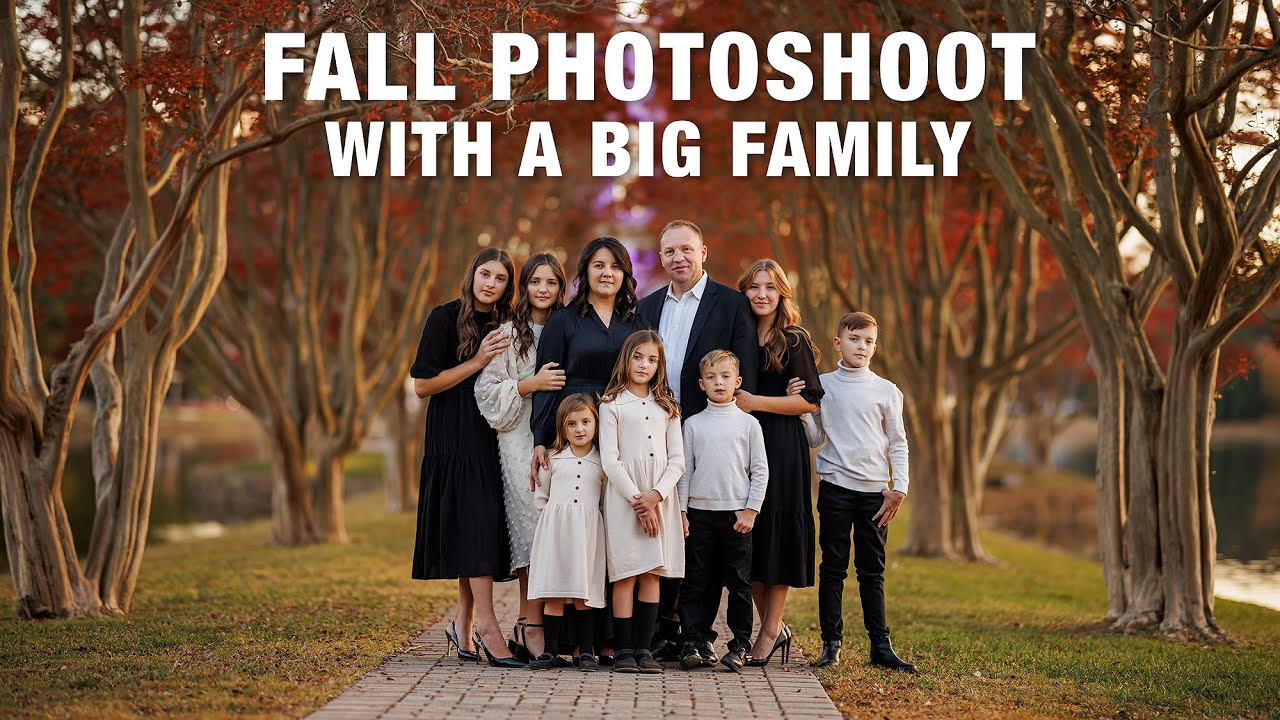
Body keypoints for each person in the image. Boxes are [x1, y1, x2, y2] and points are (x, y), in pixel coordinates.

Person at [635, 219, 759, 663]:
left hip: (713, 430)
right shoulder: (647, 308)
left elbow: (745, 370)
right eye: (669, 251)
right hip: (657, 430)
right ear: (661, 257)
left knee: (700, 541)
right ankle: (668, 630)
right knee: (665, 528)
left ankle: (701, 632)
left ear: (703, 252)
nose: (678, 258)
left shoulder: (730, 304)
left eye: (686, 249)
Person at [529, 236, 647, 661]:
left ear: (624, 274)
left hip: (620, 428)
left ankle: (612, 638)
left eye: (614, 266)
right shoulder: (564, 321)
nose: (606, 273)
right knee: (578, 530)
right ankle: (570, 642)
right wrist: (542, 439)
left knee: (613, 528)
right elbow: (547, 383)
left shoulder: (635, 320)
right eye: (597, 265)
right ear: (585, 272)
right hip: (573, 422)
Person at [411, 247, 523, 668]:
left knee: (475, 530)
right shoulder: (444, 318)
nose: (491, 284)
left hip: (492, 435)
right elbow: (423, 386)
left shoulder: (507, 324)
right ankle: (489, 629)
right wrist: (477, 362)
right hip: (453, 437)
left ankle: (463, 624)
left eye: (500, 279)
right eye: (485, 274)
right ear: (472, 274)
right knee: (474, 529)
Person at [811, 312, 917, 673]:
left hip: (875, 494)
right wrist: (804, 408)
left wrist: (899, 488)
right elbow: (814, 438)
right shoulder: (824, 385)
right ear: (838, 343)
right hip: (835, 489)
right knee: (833, 568)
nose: (863, 346)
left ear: (876, 346)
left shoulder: (887, 391)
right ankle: (831, 644)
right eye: (855, 339)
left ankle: (880, 646)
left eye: (869, 340)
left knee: (872, 571)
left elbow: (898, 444)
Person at [474, 252, 567, 661]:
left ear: (561, 288)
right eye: (535, 282)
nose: (543, 290)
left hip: (568, 441)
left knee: (564, 532)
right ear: (524, 286)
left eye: (551, 282)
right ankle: (531, 622)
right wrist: (530, 384)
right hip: (519, 442)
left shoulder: (569, 327)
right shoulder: (509, 333)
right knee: (533, 531)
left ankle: (561, 624)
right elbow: (487, 391)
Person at [732, 259, 823, 666]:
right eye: (754, 287)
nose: (762, 294)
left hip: (782, 448)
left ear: (782, 292)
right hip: (740, 448)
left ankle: (770, 629)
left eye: (770, 287)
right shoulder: (737, 336)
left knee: (779, 533)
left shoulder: (794, 339)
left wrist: (757, 402)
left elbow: (808, 400)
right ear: (744, 291)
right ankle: (771, 625)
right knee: (748, 535)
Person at [598, 329, 685, 674]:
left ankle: (644, 650)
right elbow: (610, 461)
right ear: (626, 359)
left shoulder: (668, 406)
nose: (644, 364)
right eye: (638, 357)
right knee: (625, 574)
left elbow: (677, 460)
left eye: (652, 360)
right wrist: (638, 500)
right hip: (625, 500)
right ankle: (624, 651)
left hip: (660, 497)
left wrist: (655, 496)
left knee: (652, 572)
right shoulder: (611, 405)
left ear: (659, 365)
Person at [677, 350, 769, 673]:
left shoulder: (749, 424)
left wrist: (750, 511)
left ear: (737, 382)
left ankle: (740, 645)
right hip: (700, 515)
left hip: (736, 518)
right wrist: (683, 512)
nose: (719, 382)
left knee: (739, 583)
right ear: (702, 384)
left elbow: (760, 471)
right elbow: (685, 472)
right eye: (712, 378)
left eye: (725, 377)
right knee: (697, 581)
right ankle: (692, 640)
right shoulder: (693, 425)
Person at [526, 393, 608, 672]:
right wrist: (549, 524)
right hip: (556, 533)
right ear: (562, 427)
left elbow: (603, 501)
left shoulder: (602, 462)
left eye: (586, 422)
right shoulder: (553, 458)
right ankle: (550, 652)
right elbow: (541, 497)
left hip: (586, 534)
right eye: (572, 424)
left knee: (583, 592)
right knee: (555, 592)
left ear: (596, 424)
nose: (580, 429)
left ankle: (586, 652)